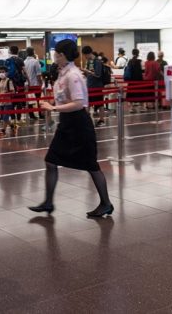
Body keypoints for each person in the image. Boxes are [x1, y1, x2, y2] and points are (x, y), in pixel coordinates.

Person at [28, 39, 113, 218]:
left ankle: (106, 203)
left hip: (79, 124)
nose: (54, 59)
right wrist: (53, 102)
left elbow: (79, 103)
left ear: (63, 55)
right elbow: (63, 97)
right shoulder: (63, 73)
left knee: (91, 165)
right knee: (51, 161)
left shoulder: (73, 75)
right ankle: (48, 202)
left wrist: (53, 108)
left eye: (56, 55)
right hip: (67, 123)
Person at [81, 46, 105, 127]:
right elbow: (89, 73)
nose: (85, 57)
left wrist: (86, 71)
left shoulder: (97, 61)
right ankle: (86, 120)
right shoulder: (89, 61)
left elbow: (98, 74)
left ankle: (102, 120)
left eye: (85, 55)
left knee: (100, 104)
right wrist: (84, 73)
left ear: (89, 53)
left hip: (97, 86)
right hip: (89, 86)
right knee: (88, 103)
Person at [24, 47, 44, 120]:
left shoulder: (24, 61)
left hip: (28, 84)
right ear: (33, 52)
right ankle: (40, 114)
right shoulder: (35, 62)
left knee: (29, 100)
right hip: (35, 84)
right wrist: (41, 83)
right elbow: (38, 74)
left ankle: (31, 115)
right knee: (38, 100)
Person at [0, 65, 16, 138]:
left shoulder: (9, 81)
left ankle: (3, 131)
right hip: (1, 102)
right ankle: (13, 126)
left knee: (5, 117)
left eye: (3, 72)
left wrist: (5, 93)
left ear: (6, 73)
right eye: (0, 72)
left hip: (8, 102)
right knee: (3, 117)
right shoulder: (0, 81)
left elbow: (13, 92)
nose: (1, 73)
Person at [125, 48, 144, 114]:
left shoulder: (130, 61)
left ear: (132, 53)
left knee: (131, 94)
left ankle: (132, 108)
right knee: (141, 93)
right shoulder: (140, 61)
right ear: (138, 54)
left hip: (131, 80)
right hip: (139, 80)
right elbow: (143, 70)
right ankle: (142, 107)